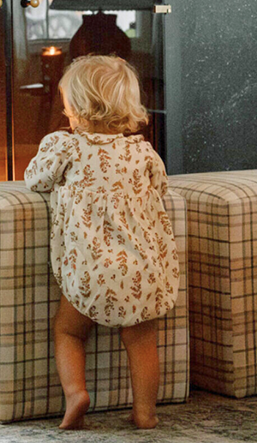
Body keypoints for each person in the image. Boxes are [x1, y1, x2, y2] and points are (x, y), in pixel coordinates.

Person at [24, 55, 179, 430]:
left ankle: (76, 393)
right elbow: (161, 188)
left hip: (89, 267)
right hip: (141, 267)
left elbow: (35, 180)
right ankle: (145, 412)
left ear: (75, 108)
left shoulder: (65, 146)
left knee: (68, 330)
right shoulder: (143, 152)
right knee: (142, 339)